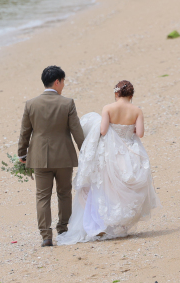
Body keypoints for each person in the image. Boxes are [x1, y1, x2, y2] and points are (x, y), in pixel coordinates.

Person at [58, 80, 161, 245]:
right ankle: (118, 224)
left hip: (111, 153)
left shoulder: (108, 108)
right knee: (123, 187)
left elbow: (103, 130)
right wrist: (130, 128)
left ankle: (101, 223)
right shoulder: (137, 111)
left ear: (116, 93)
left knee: (105, 187)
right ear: (131, 95)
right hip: (130, 153)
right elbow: (140, 133)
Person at [18, 66, 85, 247]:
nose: (63, 85)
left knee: (42, 197)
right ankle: (63, 229)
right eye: (63, 81)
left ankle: (46, 236)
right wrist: (85, 151)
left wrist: (22, 154)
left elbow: (25, 132)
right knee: (64, 194)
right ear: (57, 81)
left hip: (39, 158)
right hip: (64, 157)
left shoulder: (31, 104)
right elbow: (77, 132)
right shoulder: (67, 103)